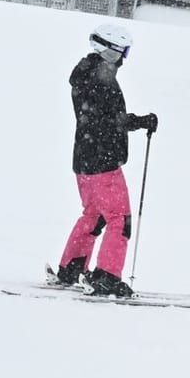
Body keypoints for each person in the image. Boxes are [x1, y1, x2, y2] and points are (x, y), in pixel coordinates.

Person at [54, 23, 158, 296]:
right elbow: (110, 120)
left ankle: (72, 268)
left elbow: (103, 118)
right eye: (120, 52)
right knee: (118, 219)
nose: (123, 59)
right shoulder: (100, 76)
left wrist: (131, 122)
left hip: (85, 160)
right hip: (103, 161)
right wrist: (138, 121)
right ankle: (107, 277)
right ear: (107, 50)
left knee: (94, 215)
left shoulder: (86, 72)